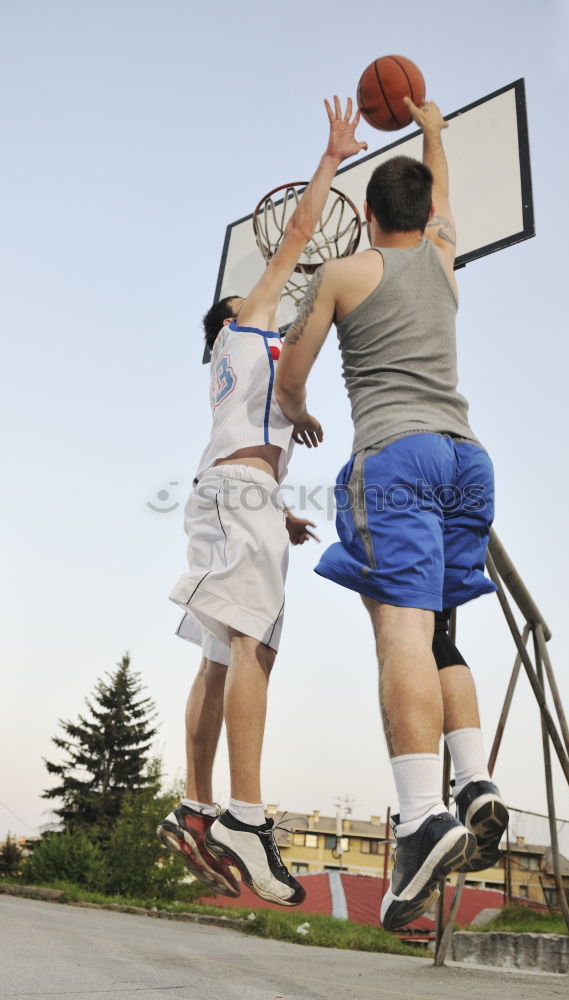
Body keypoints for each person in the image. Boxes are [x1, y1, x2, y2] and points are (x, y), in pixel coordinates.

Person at [274, 97, 509, 929]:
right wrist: (436, 132)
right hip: (466, 459)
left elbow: (291, 375)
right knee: (441, 629)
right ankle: (473, 778)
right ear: (426, 217)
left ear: (369, 215)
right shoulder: (445, 263)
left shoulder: (344, 273)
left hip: (399, 454)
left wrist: (297, 408)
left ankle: (421, 818)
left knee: (400, 632)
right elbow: (446, 206)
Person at [158, 97, 367, 907]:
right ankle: (244, 814)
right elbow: (291, 238)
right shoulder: (245, 323)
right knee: (255, 647)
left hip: (244, 496)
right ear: (236, 317)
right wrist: (332, 158)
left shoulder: (237, 373)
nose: (274, 301)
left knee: (224, 653)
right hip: (237, 494)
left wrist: (277, 512)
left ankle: (199, 804)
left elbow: (246, 442)